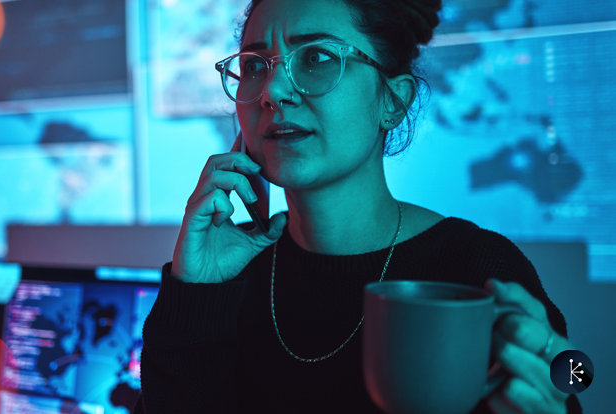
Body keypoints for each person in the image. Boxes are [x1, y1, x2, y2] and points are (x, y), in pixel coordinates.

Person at [136, 0, 582, 413]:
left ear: (393, 100)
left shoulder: (478, 268)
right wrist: (195, 296)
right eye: (254, 66)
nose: (271, 90)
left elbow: (570, 379)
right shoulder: (225, 276)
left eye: (316, 57)